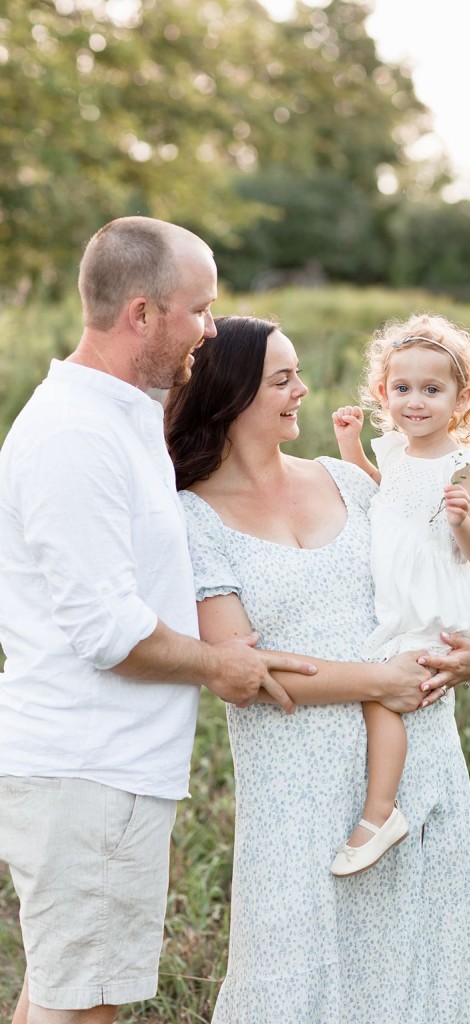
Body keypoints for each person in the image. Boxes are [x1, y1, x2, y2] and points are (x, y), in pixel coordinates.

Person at [0, 217, 323, 1024]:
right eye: (198, 310)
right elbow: (109, 632)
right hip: (90, 770)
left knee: (58, 995)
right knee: (86, 1008)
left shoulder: (122, 413)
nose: (210, 330)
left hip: (101, 767)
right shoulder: (75, 434)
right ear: (141, 314)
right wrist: (225, 666)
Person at [164, 314, 470, 1024]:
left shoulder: (348, 481)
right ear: (230, 395)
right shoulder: (189, 519)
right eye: (283, 379)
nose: (303, 390)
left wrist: (469, 653)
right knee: (292, 976)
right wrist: (379, 682)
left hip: (417, 760)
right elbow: (248, 672)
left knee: (427, 971)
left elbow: (431, 583)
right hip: (298, 789)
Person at [330, 312, 470, 877]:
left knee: (383, 692)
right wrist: (350, 446)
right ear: (384, 393)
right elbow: (389, 496)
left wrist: (460, 522)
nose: (416, 401)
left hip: (438, 596)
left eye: (432, 390)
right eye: (402, 388)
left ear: (461, 399)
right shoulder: (397, 453)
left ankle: (379, 814)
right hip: (402, 594)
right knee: (384, 684)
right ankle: (384, 811)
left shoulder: (467, 467)